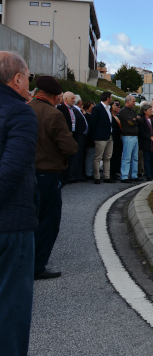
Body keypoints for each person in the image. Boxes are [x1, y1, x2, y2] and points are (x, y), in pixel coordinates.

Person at [0, 52, 38, 356]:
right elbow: (10, 171)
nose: (30, 83)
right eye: (28, 77)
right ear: (17, 79)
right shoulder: (19, 115)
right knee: (11, 308)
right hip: (11, 225)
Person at [29, 75, 78, 279]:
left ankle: (23, 261)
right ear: (56, 95)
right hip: (48, 173)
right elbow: (69, 146)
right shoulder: (53, 114)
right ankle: (37, 265)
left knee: (28, 219)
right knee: (48, 221)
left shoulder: (26, 108)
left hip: (27, 171)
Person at [57, 91, 89, 183]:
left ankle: (71, 175)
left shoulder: (73, 109)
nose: (74, 100)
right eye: (72, 98)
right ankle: (64, 177)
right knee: (66, 157)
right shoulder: (61, 108)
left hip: (74, 135)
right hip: (66, 135)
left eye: (74, 98)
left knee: (74, 157)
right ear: (66, 99)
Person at [88, 91, 115, 184]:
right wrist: (93, 135)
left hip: (109, 135)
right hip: (100, 136)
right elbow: (92, 123)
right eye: (111, 97)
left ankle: (107, 176)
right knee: (98, 157)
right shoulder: (97, 108)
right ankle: (97, 177)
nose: (111, 99)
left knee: (107, 157)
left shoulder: (108, 108)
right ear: (107, 98)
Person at [118, 95, 140, 183]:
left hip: (135, 136)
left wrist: (136, 120)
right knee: (127, 157)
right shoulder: (123, 111)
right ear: (128, 101)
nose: (134, 103)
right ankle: (124, 176)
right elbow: (131, 122)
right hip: (128, 136)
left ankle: (134, 175)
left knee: (135, 157)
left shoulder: (133, 111)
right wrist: (135, 120)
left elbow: (140, 120)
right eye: (133, 101)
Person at [138, 104, 153, 181]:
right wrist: (150, 137)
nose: (152, 111)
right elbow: (141, 131)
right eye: (150, 110)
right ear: (145, 111)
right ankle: (148, 175)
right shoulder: (142, 119)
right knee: (147, 159)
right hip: (146, 142)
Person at [110, 100, 123, 180]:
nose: (117, 107)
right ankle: (111, 173)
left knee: (117, 156)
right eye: (115, 106)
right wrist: (120, 130)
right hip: (114, 137)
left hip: (119, 138)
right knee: (113, 156)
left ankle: (114, 172)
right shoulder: (110, 116)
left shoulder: (116, 116)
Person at [82, 100, 96, 180]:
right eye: (92, 107)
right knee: (90, 157)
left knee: (91, 157)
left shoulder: (90, 116)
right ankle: (89, 173)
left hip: (90, 139)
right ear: (87, 109)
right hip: (89, 139)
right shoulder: (87, 116)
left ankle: (89, 172)